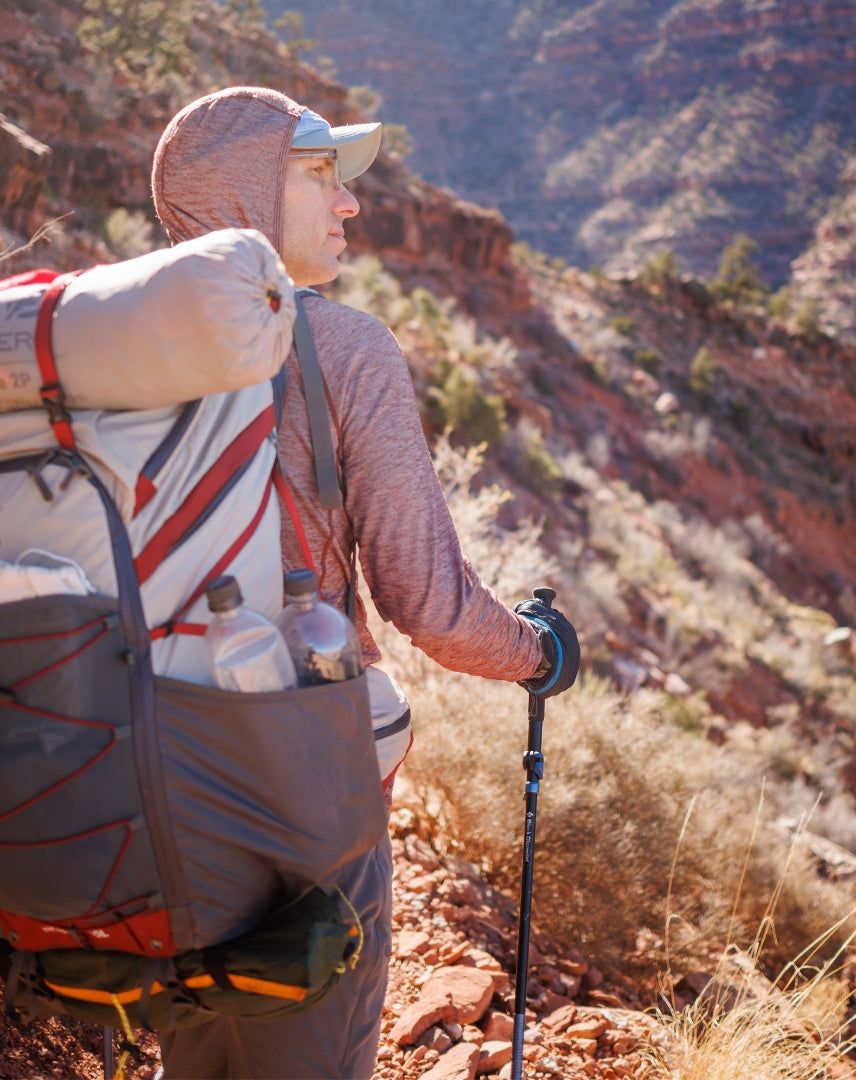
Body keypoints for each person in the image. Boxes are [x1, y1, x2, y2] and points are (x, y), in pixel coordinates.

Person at [150, 86, 579, 1080]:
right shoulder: (340, 347)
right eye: (319, 175)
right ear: (245, 191)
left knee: (195, 1053)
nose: (349, 206)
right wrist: (541, 654)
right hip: (296, 781)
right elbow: (429, 605)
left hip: (141, 778)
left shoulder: (111, 354)